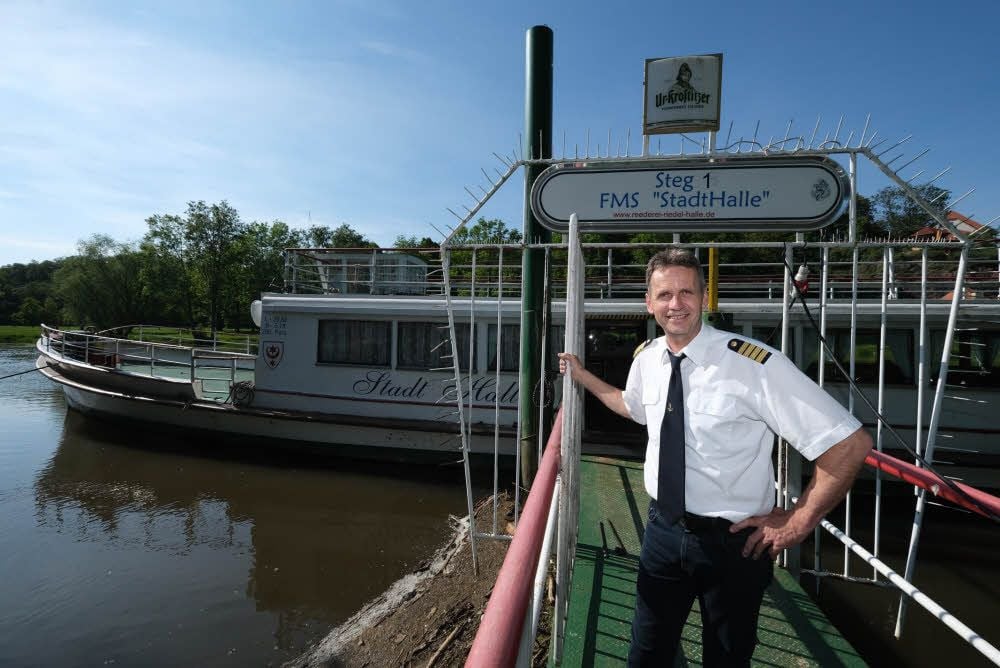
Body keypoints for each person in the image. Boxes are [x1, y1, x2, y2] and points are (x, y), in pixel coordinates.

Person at [558, 248, 872, 667]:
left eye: (687, 292)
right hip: (662, 533)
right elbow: (632, 407)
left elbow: (849, 443)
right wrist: (581, 376)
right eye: (665, 294)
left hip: (733, 546)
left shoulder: (755, 364)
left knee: (726, 657)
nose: (676, 304)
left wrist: (798, 521)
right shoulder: (648, 358)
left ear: (704, 298)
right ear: (649, 304)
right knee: (646, 653)